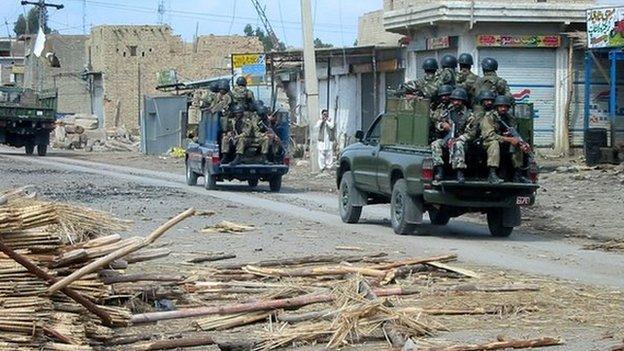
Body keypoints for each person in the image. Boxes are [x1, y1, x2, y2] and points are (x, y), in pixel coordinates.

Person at [430, 88, 477, 183]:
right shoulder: (448, 112)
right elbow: (438, 124)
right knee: (435, 144)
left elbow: (471, 134)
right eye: (454, 100)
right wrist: (443, 125)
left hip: (463, 141)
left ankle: (459, 172)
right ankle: (440, 170)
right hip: (448, 138)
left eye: (459, 101)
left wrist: (459, 138)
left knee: (458, 144)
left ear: (463, 101)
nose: (456, 103)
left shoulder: (469, 115)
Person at [480, 95, 530, 184]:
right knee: (494, 144)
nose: (503, 109)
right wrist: (509, 139)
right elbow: (489, 135)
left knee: (517, 144)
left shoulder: (510, 118)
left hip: (504, 143)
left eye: (505, 107)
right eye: (501, 106)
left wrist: (522, 143)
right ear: (496, 107)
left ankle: (517, 174)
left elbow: (515, 134)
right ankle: (492, 174)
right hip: (488, 143)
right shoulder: (489, 117)